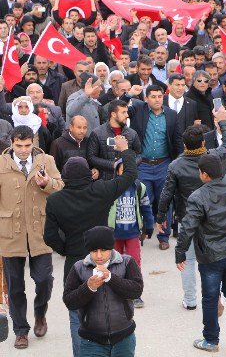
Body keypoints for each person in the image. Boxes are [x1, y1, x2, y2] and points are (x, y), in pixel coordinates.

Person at [44, 138, 138, 356]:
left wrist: (67, 249)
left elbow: (49, 236)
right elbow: (130, 176)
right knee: (113, 307)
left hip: (75, 262)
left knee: (78, 314)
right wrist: (126, 151)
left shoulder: (55, 201)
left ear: (65, 176)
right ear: (88, 174)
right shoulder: (101, 190)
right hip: (106, 260)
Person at [175, 124, 226, 353]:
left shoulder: (197, 196)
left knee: (210, 298)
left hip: (211, 256)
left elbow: (187, 228)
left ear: (204, 175)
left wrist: (180, 253)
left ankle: (211, 340)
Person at [157, 119, 226, 310]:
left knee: (188, 260)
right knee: (214, 259)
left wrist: (160, 217)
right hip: (214, 218)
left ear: (184, 145)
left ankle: (190, 300)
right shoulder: (213, 157)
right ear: (203, 143)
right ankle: (215, 296)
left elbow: (166, 193)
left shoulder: (175, 165)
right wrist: (223, 122)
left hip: (187, 218)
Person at [0, 125, 63, 349]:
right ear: (11, 143)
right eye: (19, 146)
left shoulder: (47, 160)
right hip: (10, 233)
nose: (24, 150)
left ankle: (40, 314)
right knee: (15, 285)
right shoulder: (1, 163)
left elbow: (61, 187)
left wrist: (47, 184)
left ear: (33, 142)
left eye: (27, 145)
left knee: (44, 280)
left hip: (40, 231)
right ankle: (20, 331)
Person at [63, 226, 144, 356]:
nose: (99, 255)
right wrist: (88, 287)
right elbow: (69, 301)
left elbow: (136, 291)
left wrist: (111, 278)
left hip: (124, 337)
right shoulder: (79, 268)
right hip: (91, 341)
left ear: (111, 248)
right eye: (94, 251)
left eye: (104, 250)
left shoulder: (127, 262)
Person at [123, 84, 182, 249]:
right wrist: (128, 95)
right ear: (146, 98)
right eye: (153, 97)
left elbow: (177, 140)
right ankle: (144, 230)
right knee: (144, 200)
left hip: (164, 164)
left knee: (166, 202)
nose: (157, 99)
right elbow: (118, 107)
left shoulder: (171, 114)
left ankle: (163, 237)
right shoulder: (138, 109)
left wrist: (178, 162)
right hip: (143, 165)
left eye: (159, 96)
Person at [108, 158, 153, 309]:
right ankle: (116, 291)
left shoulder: (139, 187)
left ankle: (135, 293)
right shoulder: (111, 187)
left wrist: (149, 224)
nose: (125, 172)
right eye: (122, 169)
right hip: (115, 233)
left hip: (133, 232)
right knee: (114, 263)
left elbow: (146, 207)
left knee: (134, 262)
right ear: (117, 171)